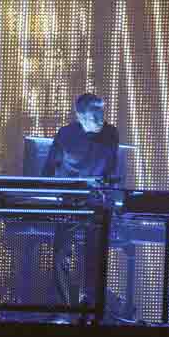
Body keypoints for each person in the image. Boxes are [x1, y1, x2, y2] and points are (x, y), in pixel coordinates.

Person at [43, 93, 119, 315]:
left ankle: (91, 306)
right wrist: (44, 195)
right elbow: (49, 170)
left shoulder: (110, 133)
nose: (100, 118)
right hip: (68, 202)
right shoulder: (66, 135)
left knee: (94, 254)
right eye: (94, 113)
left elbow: (110, 170)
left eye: (101, 112)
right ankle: (64, 308)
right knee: (60, 255)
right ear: (80, 115)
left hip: (95, 202)